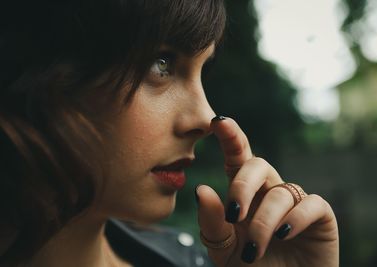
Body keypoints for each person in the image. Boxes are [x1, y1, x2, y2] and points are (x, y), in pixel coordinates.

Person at [0, 0, 339, 266]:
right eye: (161, 64)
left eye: (202, 71)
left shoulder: (187, 260)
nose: (206, 118)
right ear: (47, 70)